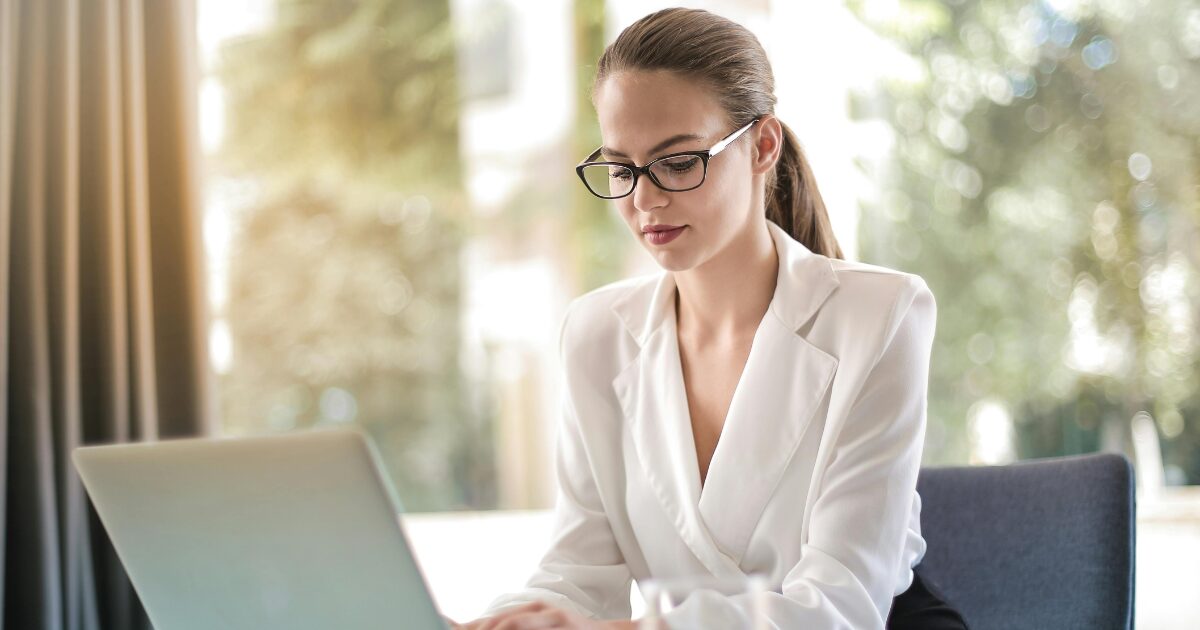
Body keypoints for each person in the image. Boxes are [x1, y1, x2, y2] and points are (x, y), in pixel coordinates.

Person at [454, 8, 968, 630]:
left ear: (762, 145)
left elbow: (841, 601)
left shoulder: (881, 315)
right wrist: (504, 622)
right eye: (622, 168)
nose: (644, 200)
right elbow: (577, 574)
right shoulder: (596, 334)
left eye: (678, 162)